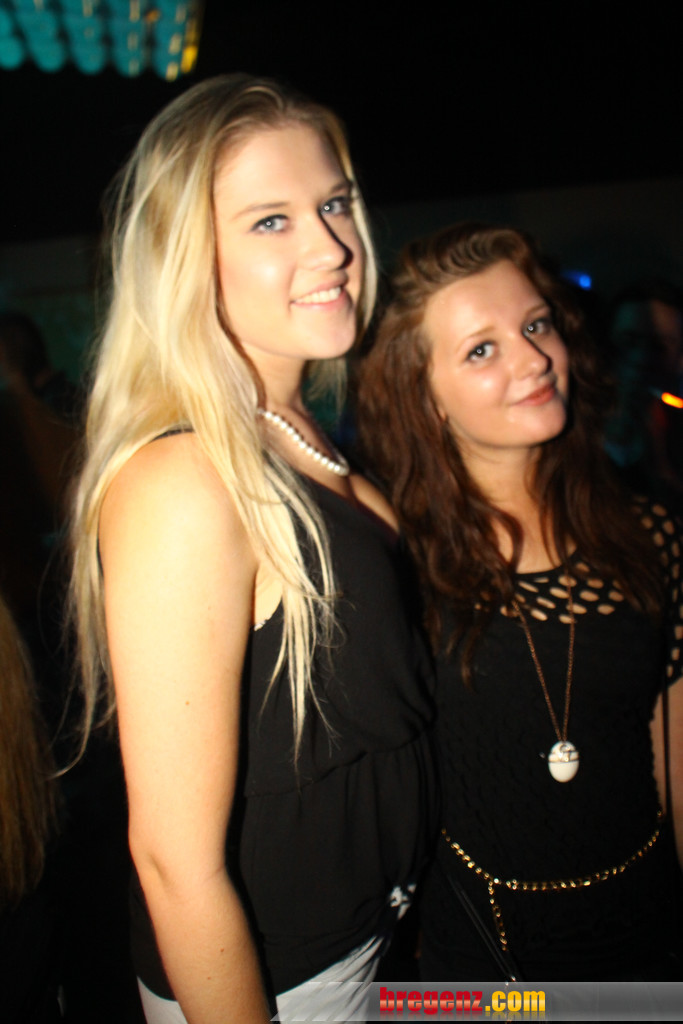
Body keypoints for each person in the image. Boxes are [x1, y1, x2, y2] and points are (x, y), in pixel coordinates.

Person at [70, 74, 435, 1023]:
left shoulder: (300, 440)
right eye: (270, 221)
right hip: (279, 984)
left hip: (379, 941)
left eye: (334, 204)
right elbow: (173, 862)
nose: (333, 246)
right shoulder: (184, 479)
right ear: (185, 259)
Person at [356, 222, 683, 981]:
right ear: (424, 398)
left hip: (647, 948)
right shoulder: (391, 564)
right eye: (482, 349)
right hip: (478, 962)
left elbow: (673, 751)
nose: (533, 358)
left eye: (536, 326)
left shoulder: (651, 535)